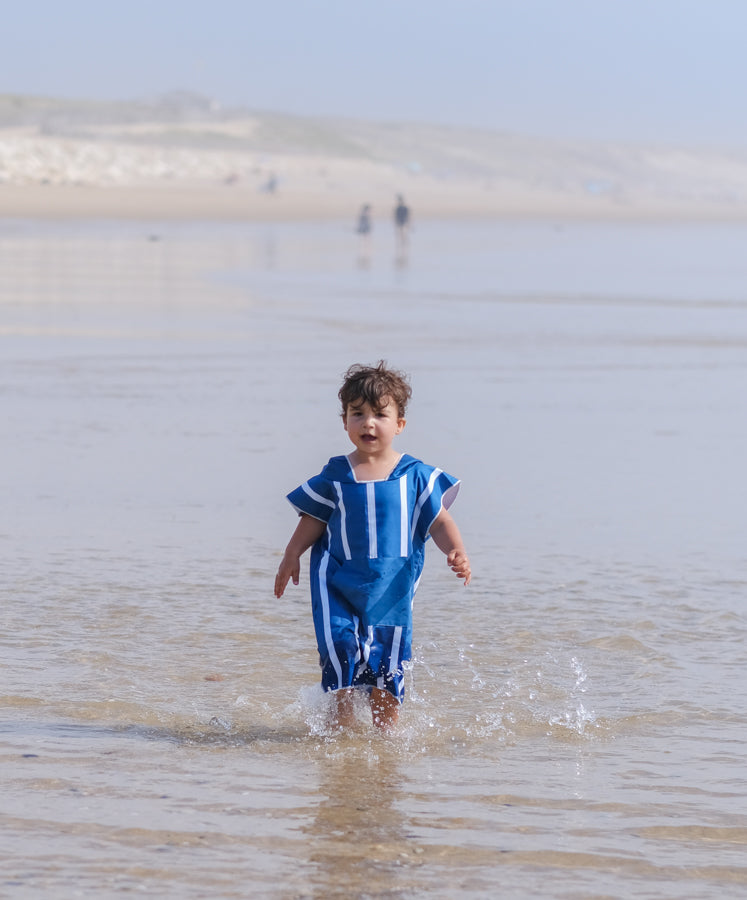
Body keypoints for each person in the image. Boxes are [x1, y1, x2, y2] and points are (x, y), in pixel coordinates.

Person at [274, 361, 471, 731]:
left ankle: (386, 735)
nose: (368, 423)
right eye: (357, 414)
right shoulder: (336, 474)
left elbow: (439, 520)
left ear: (399, 425)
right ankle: (341, 729)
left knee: (388, 662)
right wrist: (290, 555)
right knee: (341, 650)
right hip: (335, 579)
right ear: (344, 421)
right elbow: (313, 519)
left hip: (391, 588)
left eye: (380, 415)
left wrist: (455, 550)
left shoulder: (415, 476)